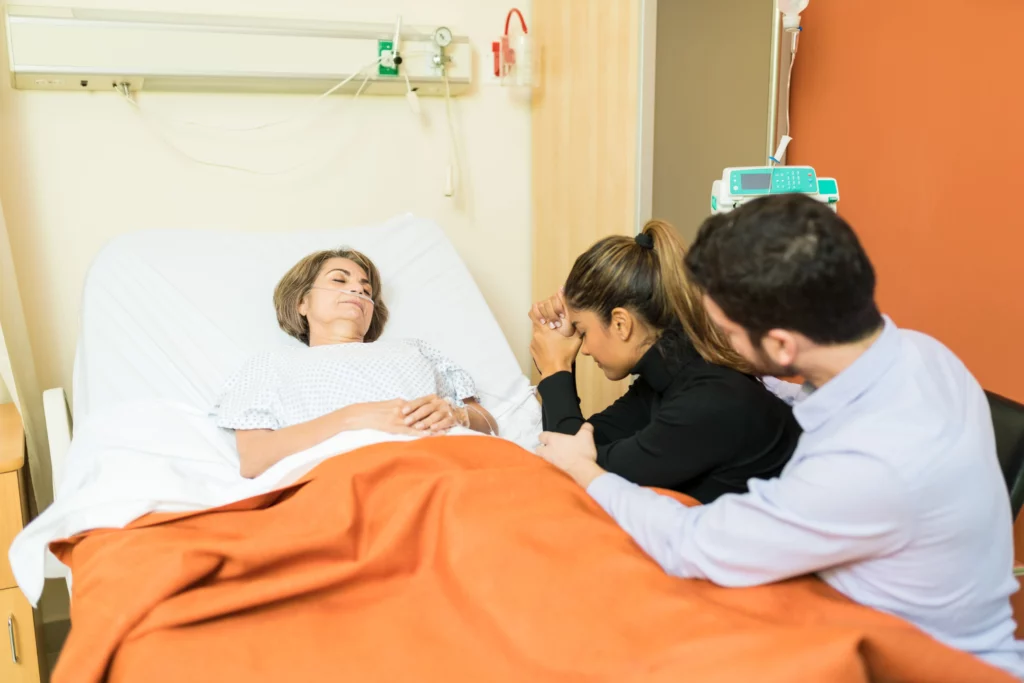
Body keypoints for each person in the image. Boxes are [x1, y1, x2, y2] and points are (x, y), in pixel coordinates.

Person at [534, 194, 1024, 677]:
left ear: (782, 343)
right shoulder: (921, 355)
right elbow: (797, 397)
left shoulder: (867, 469)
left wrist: (586, 471)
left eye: (723, 329)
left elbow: (692, 543)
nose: (710, 339)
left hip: (923, 663)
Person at [528, 219, 800, 503]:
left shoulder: (707, 402)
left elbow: (581, 471)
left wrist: (555, 368)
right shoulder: (668, 380)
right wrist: (559, 366)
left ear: (621, 324)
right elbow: (579, 446)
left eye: (582, 332)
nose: (582, 349)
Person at [213, 247, 497, 478]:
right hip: (346, 479)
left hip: (450, 469)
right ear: (302, 302)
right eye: (339, 280)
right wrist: (351, 418)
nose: (359, 291)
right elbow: (254, 459)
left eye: (366, 290)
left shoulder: (412, 350)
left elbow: (488, 423)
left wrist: (457, 415)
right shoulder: (272, 363)